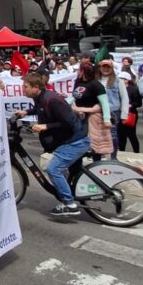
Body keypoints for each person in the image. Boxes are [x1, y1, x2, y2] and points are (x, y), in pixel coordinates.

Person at [18, 71, 89, 218]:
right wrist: (26, 111)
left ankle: (69, 204)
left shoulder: (52, 99)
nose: (23, 89)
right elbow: (40, 109)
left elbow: (68, 122)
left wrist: (46, 126)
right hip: (67, 141)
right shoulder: (40, 98)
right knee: (72, 172)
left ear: (36, 87)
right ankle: (69, 192)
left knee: (53, 169)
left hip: (75, 141)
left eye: (26, 86)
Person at [96, 58, 128, 157]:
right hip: (97, 110)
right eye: (103, 66)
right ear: (100, 68)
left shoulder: (118, 81)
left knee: (112, 134)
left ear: (112, 68)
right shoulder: (95, 80)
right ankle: (99, 154)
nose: (106, 69)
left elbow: (124, 97)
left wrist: (124, 114)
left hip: (113, 111)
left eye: (108, 67)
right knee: (98, 135)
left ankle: (113, 156)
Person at [117, 71, 141, 152]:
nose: (119, 80)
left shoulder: (133, 89)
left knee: (131, 134)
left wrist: (131, 105)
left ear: (127, 80)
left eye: (121, 79)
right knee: (121, 135)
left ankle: (136, 152)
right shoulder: (116, 89)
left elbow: (139, 103)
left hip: (130, 114)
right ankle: (121, 151)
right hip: (119, 114)